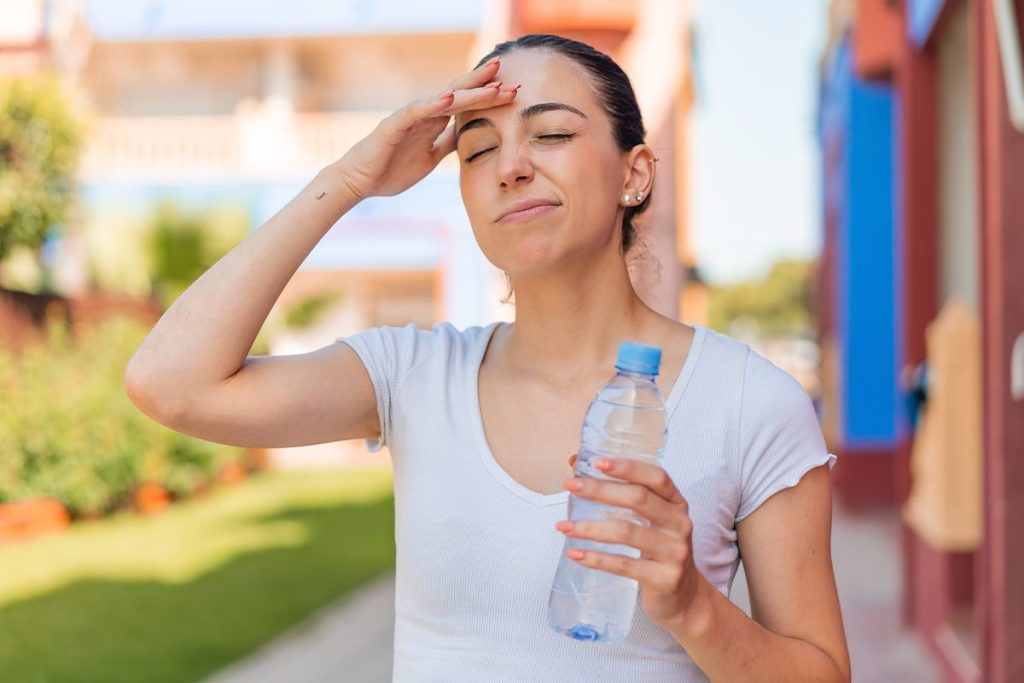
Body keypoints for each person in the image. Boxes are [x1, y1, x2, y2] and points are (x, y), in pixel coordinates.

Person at [125, 33, 850, 682]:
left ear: (635, 174)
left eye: (552, 134)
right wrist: (348, 181)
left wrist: (694, 606)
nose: (510, 167)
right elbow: (170, 384)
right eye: (476, 151)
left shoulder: (752, 402)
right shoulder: (413, 375)